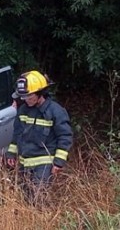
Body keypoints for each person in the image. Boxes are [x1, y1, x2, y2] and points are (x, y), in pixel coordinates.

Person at [6, 70, 73, 203]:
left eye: (29, 96)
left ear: (40, 93)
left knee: (39, 198)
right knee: (25, 198)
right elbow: (17, 134)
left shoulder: (55, 111)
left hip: (44, 163)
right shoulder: (23, 110)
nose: (25, 99)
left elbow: (65, 136)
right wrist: (11, 154)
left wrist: (58, 162)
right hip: (25, 163)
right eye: (23, 97)